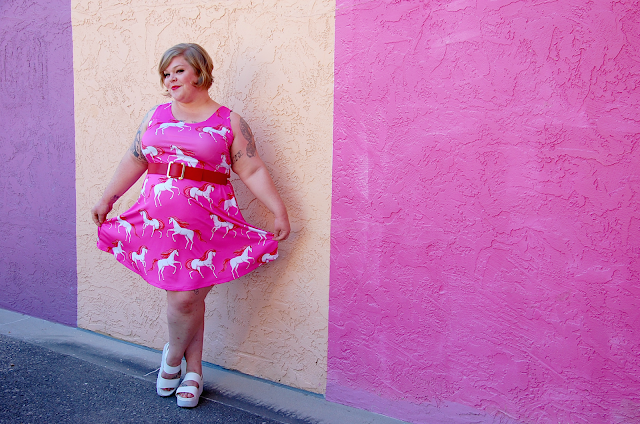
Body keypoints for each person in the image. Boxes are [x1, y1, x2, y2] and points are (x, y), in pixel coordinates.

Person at [90, 43, 290, 408]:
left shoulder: (229, 121)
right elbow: (134, 159)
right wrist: (108, 198)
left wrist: (278, 210)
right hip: (158, 222)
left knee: (188, 297)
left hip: (208, 223)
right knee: (186, 298)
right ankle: (193, 371)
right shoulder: (154, 116)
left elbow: (251, 168)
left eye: (178, 70)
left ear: (200, 72)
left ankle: (172, 358)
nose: (170, 79)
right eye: (166, 74)